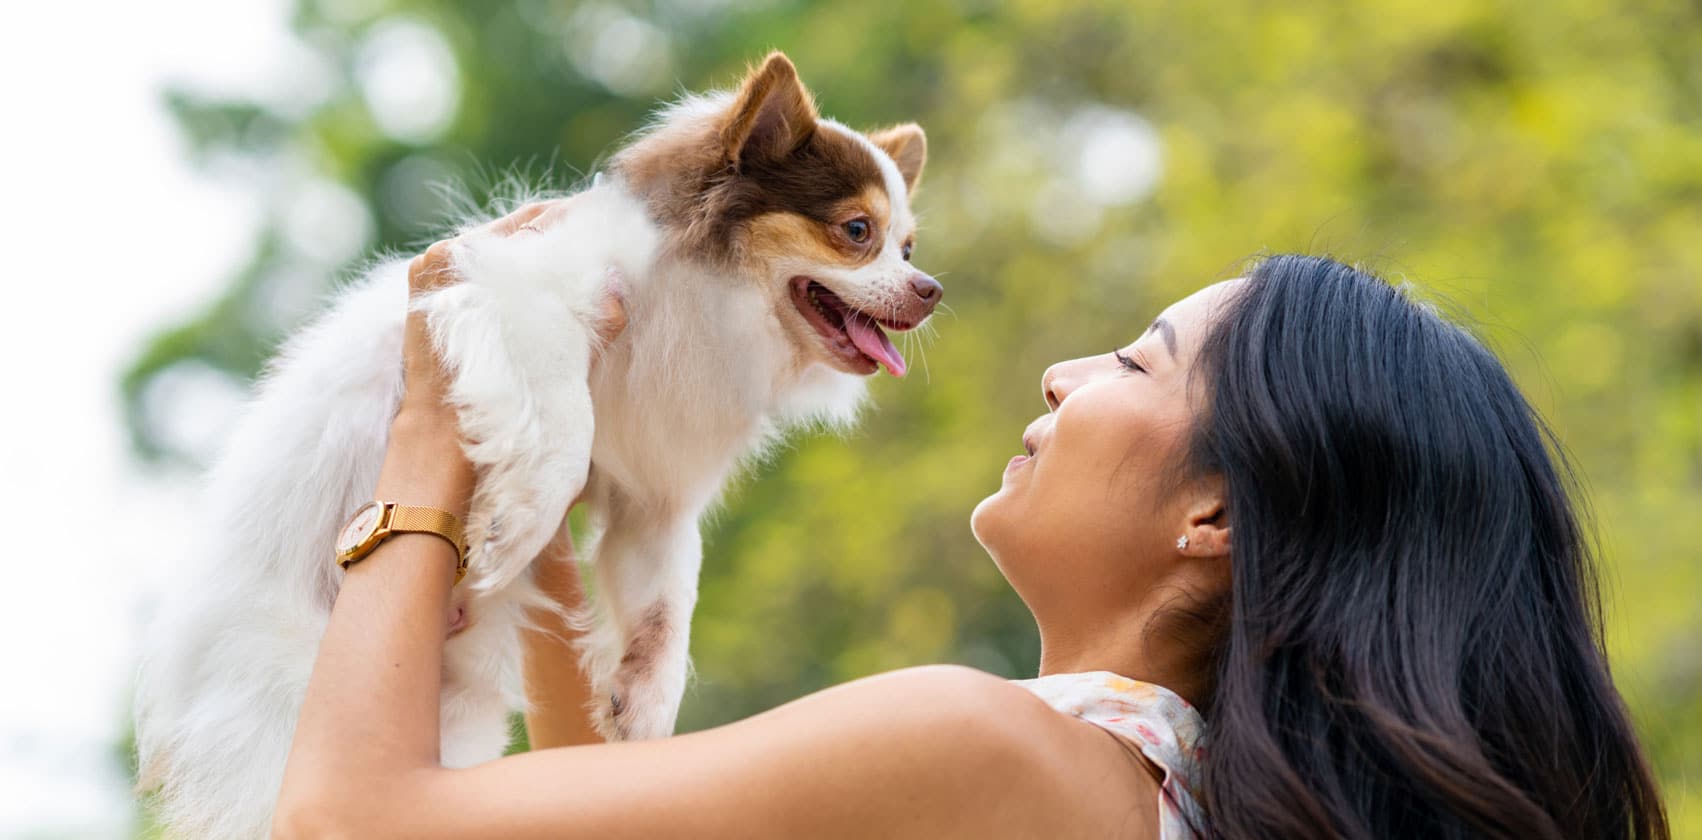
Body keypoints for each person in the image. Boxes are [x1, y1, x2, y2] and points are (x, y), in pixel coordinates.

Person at [271, 202, 1669, 839]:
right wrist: (563, 526)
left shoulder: (987, 753)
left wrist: (430, 442)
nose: (1062, 372)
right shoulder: (1125, 799)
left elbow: (349, 825)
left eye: (1132, 361)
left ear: (1216, 516)